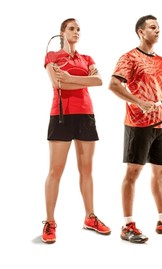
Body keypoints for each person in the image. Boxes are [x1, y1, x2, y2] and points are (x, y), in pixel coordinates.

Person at [108, 15, 162, 244]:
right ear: (140, 31)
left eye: (159, 28)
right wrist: (139, 102)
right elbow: (114, 85)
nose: (157, 31)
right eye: (152, 27)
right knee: (133, 173)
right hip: (138, 125)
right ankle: (127, 225)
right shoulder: (129, 58)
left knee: (160, 173)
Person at [41, 18, 109, 244]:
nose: (76, 32)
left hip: (85, 115)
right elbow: (57, 85)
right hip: (60, 116)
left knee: (87, 170)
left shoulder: (87, 58)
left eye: (78, 29)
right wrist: (81, 80)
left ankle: (90, 217)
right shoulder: (52, 57)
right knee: (55, 170)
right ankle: (50, 222)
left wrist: (70, 78)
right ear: (62, 32)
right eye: (72, 28)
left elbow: (99, 80)